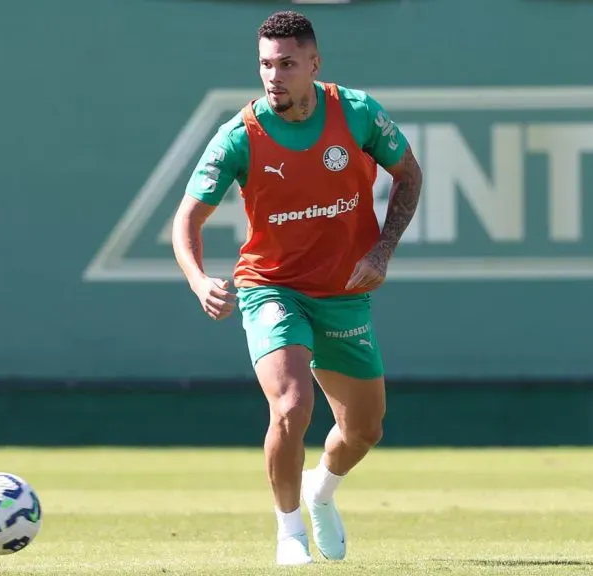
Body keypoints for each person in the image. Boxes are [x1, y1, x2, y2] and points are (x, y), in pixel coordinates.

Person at [170, 9, 422, 566]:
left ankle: (320, 492)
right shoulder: (240, 136)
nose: (273, 76)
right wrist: (198, 279)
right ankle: (289, 533)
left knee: (364, 430)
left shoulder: (356, 113)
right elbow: (186, 220)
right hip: (272, 287)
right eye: (265, 65)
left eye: (286, 64)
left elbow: (410, 174)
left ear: (314, 64)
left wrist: (382, 250)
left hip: (343, 292)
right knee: (291, 404)